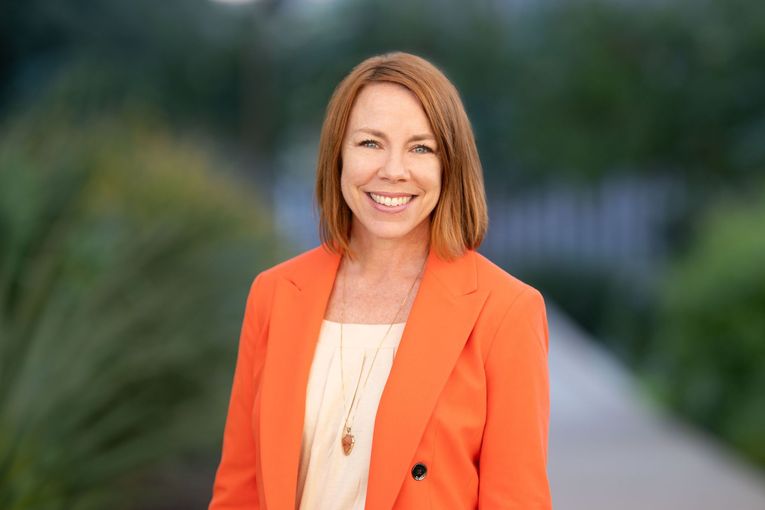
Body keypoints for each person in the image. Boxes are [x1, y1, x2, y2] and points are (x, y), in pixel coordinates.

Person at [209, 51, 551, 509]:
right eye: (370, 143)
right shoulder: (274, 294)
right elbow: (239, 491)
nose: (393, 170)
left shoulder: (506, 310)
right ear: (338, 155)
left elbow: (516, 500)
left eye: (420, 148)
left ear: (450, 166)